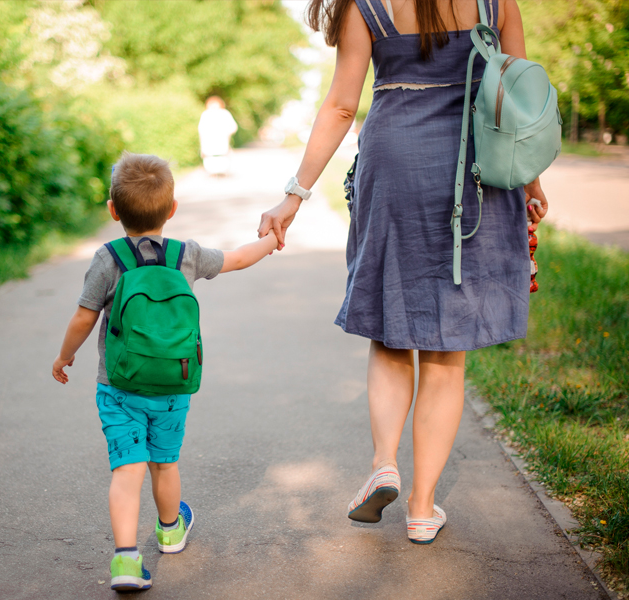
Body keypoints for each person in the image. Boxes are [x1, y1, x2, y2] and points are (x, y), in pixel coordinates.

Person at [258, 0, 549, 544]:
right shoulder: (496, 2)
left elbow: (342, 107)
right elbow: (519, 96)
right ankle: (421, 508)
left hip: (395, 163)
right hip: (476, 170)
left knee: (392, 330)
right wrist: (530, 181)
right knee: (445, 350)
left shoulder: (366, 6)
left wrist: (294, 195)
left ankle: (384, 463)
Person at [52, 152, 278, 591]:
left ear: (113, 210)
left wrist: (65, 356)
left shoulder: (108, 258)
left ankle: (125, 560)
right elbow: (237, 258)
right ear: (172, 209)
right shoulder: (185, 255)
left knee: (127, 470)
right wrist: (271, 239)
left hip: (118, 387)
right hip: (173, 386)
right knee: (165, 463)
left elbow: (84, 316)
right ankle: (171, 531)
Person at [198, 96, 238, 175]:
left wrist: (226, 133)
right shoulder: (206, 114)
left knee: (222, 162)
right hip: (209, 143)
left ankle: (220, 174)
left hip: (222, 142)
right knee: (211, 163)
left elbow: (233, 127)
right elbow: (201, 130)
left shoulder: (224, 113)